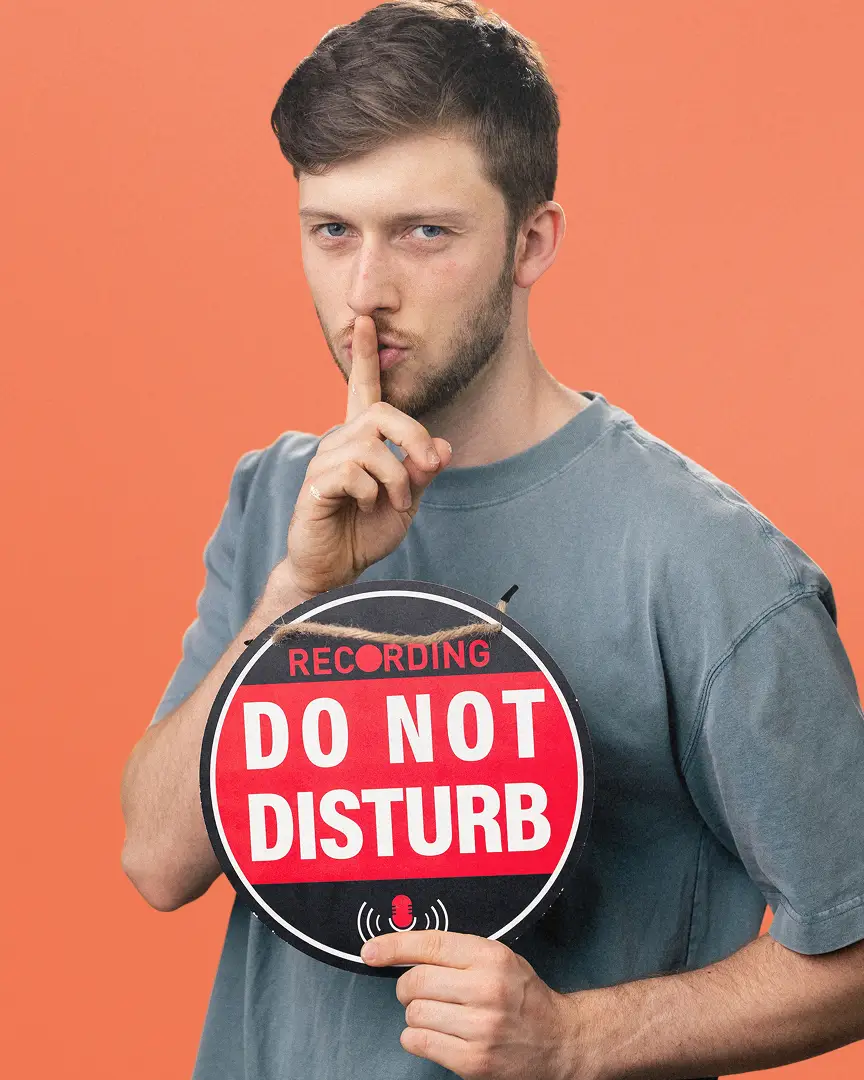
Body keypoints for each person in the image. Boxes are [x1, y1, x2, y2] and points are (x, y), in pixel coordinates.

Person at [120, 3, 864, 1078]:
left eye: (425, 232)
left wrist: (575, 1040)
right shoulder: (281, 497)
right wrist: (295, 588)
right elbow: (155, 859)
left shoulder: (707, 564)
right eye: (332, 231)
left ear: (530, 241)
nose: (365, 295)